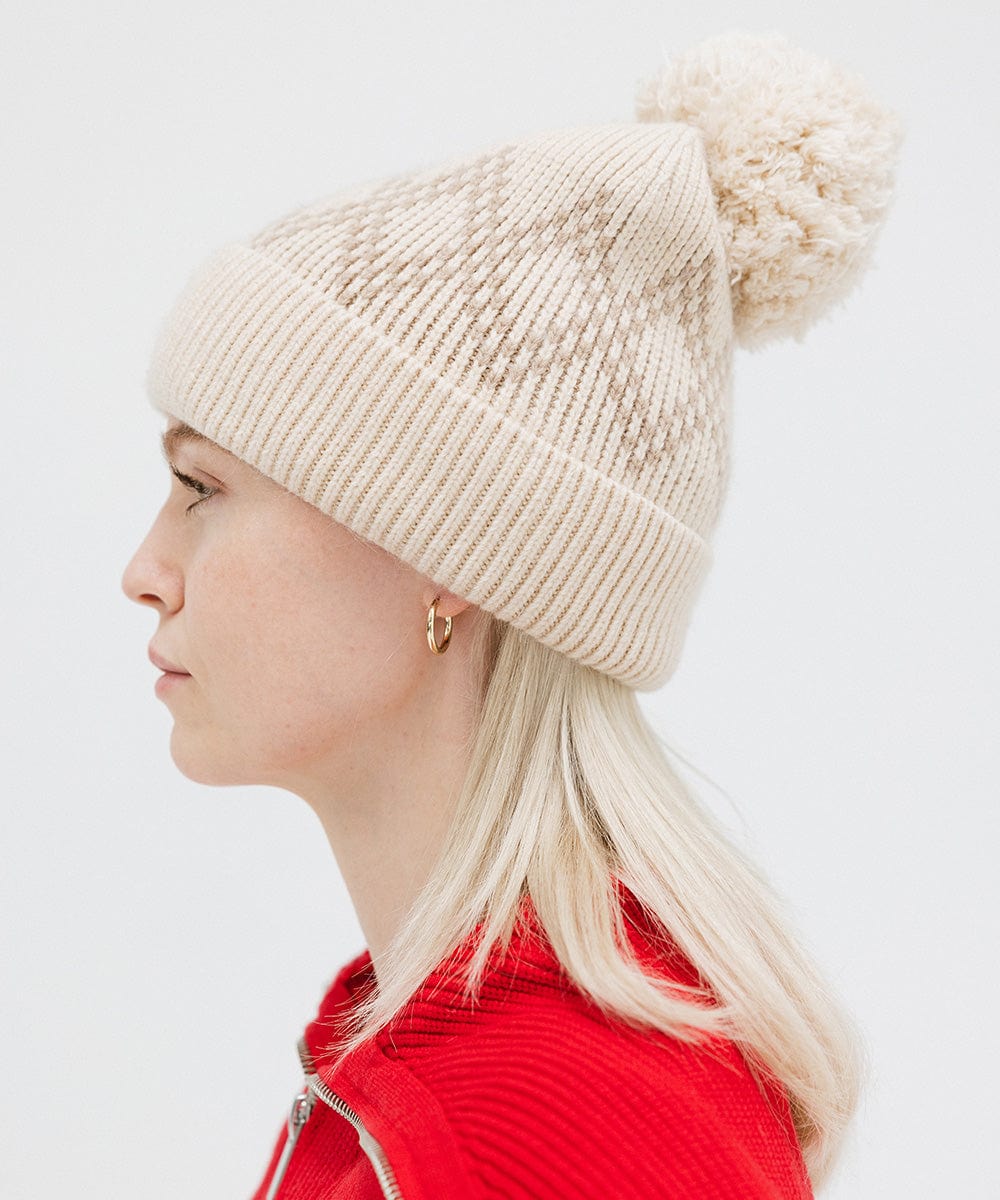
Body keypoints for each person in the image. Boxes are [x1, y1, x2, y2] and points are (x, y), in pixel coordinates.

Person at [121, 27, 902, 1200]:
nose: (144, 568)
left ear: (451, 558)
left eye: (202, 489)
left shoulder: (533, 1129)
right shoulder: (474, 1053)